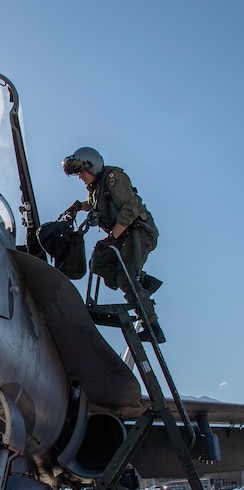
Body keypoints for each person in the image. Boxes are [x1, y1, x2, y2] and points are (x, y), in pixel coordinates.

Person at [62, 147, 165, 343]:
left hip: (138, 231)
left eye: (81, 172)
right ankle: (144, 281)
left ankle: (153, 327)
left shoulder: (113, 177)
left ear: (92, 166)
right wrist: (79, 206)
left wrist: (112, 237)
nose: (80, 177)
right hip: (123, 235)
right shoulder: (96, 189)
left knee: (126, 279)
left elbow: (129, 208)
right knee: (102, 267)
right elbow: (94, 205)